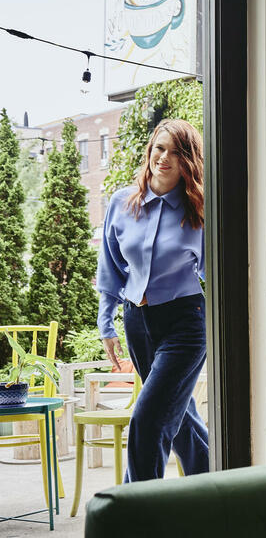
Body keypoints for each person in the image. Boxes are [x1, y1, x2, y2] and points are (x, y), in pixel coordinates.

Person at [97, 119, 208, 482]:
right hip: (137, 322)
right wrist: (106, 322)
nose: (164, 158)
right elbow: (110, 266)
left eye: (176, 152)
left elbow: (219, 272)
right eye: (160, 148)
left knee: (148, 419)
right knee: (181, 419)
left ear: (188, 161)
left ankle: (136, 514)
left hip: (185, 324)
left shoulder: (200, 211)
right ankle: (221, 495)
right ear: (150, 151)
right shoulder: (121, 203)